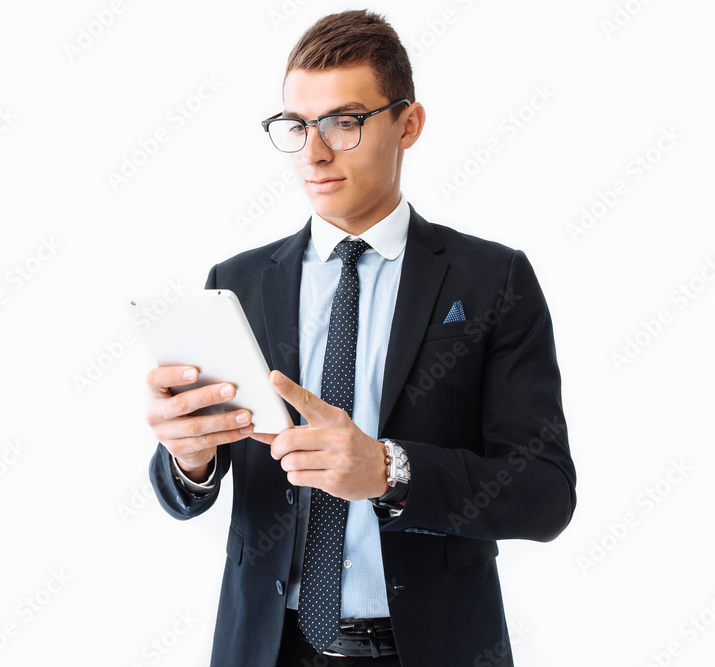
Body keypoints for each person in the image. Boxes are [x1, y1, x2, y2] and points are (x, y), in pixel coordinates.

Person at [145, 9, 576, 667]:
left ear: (408, 124)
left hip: (434, 647)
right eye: (295, 126)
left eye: (343, 123)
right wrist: (188, 458)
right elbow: (190, 490)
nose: (313, 152)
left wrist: (388, 470)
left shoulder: (493, 279)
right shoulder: (236, 284)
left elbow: (544, 495)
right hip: (269, 646)